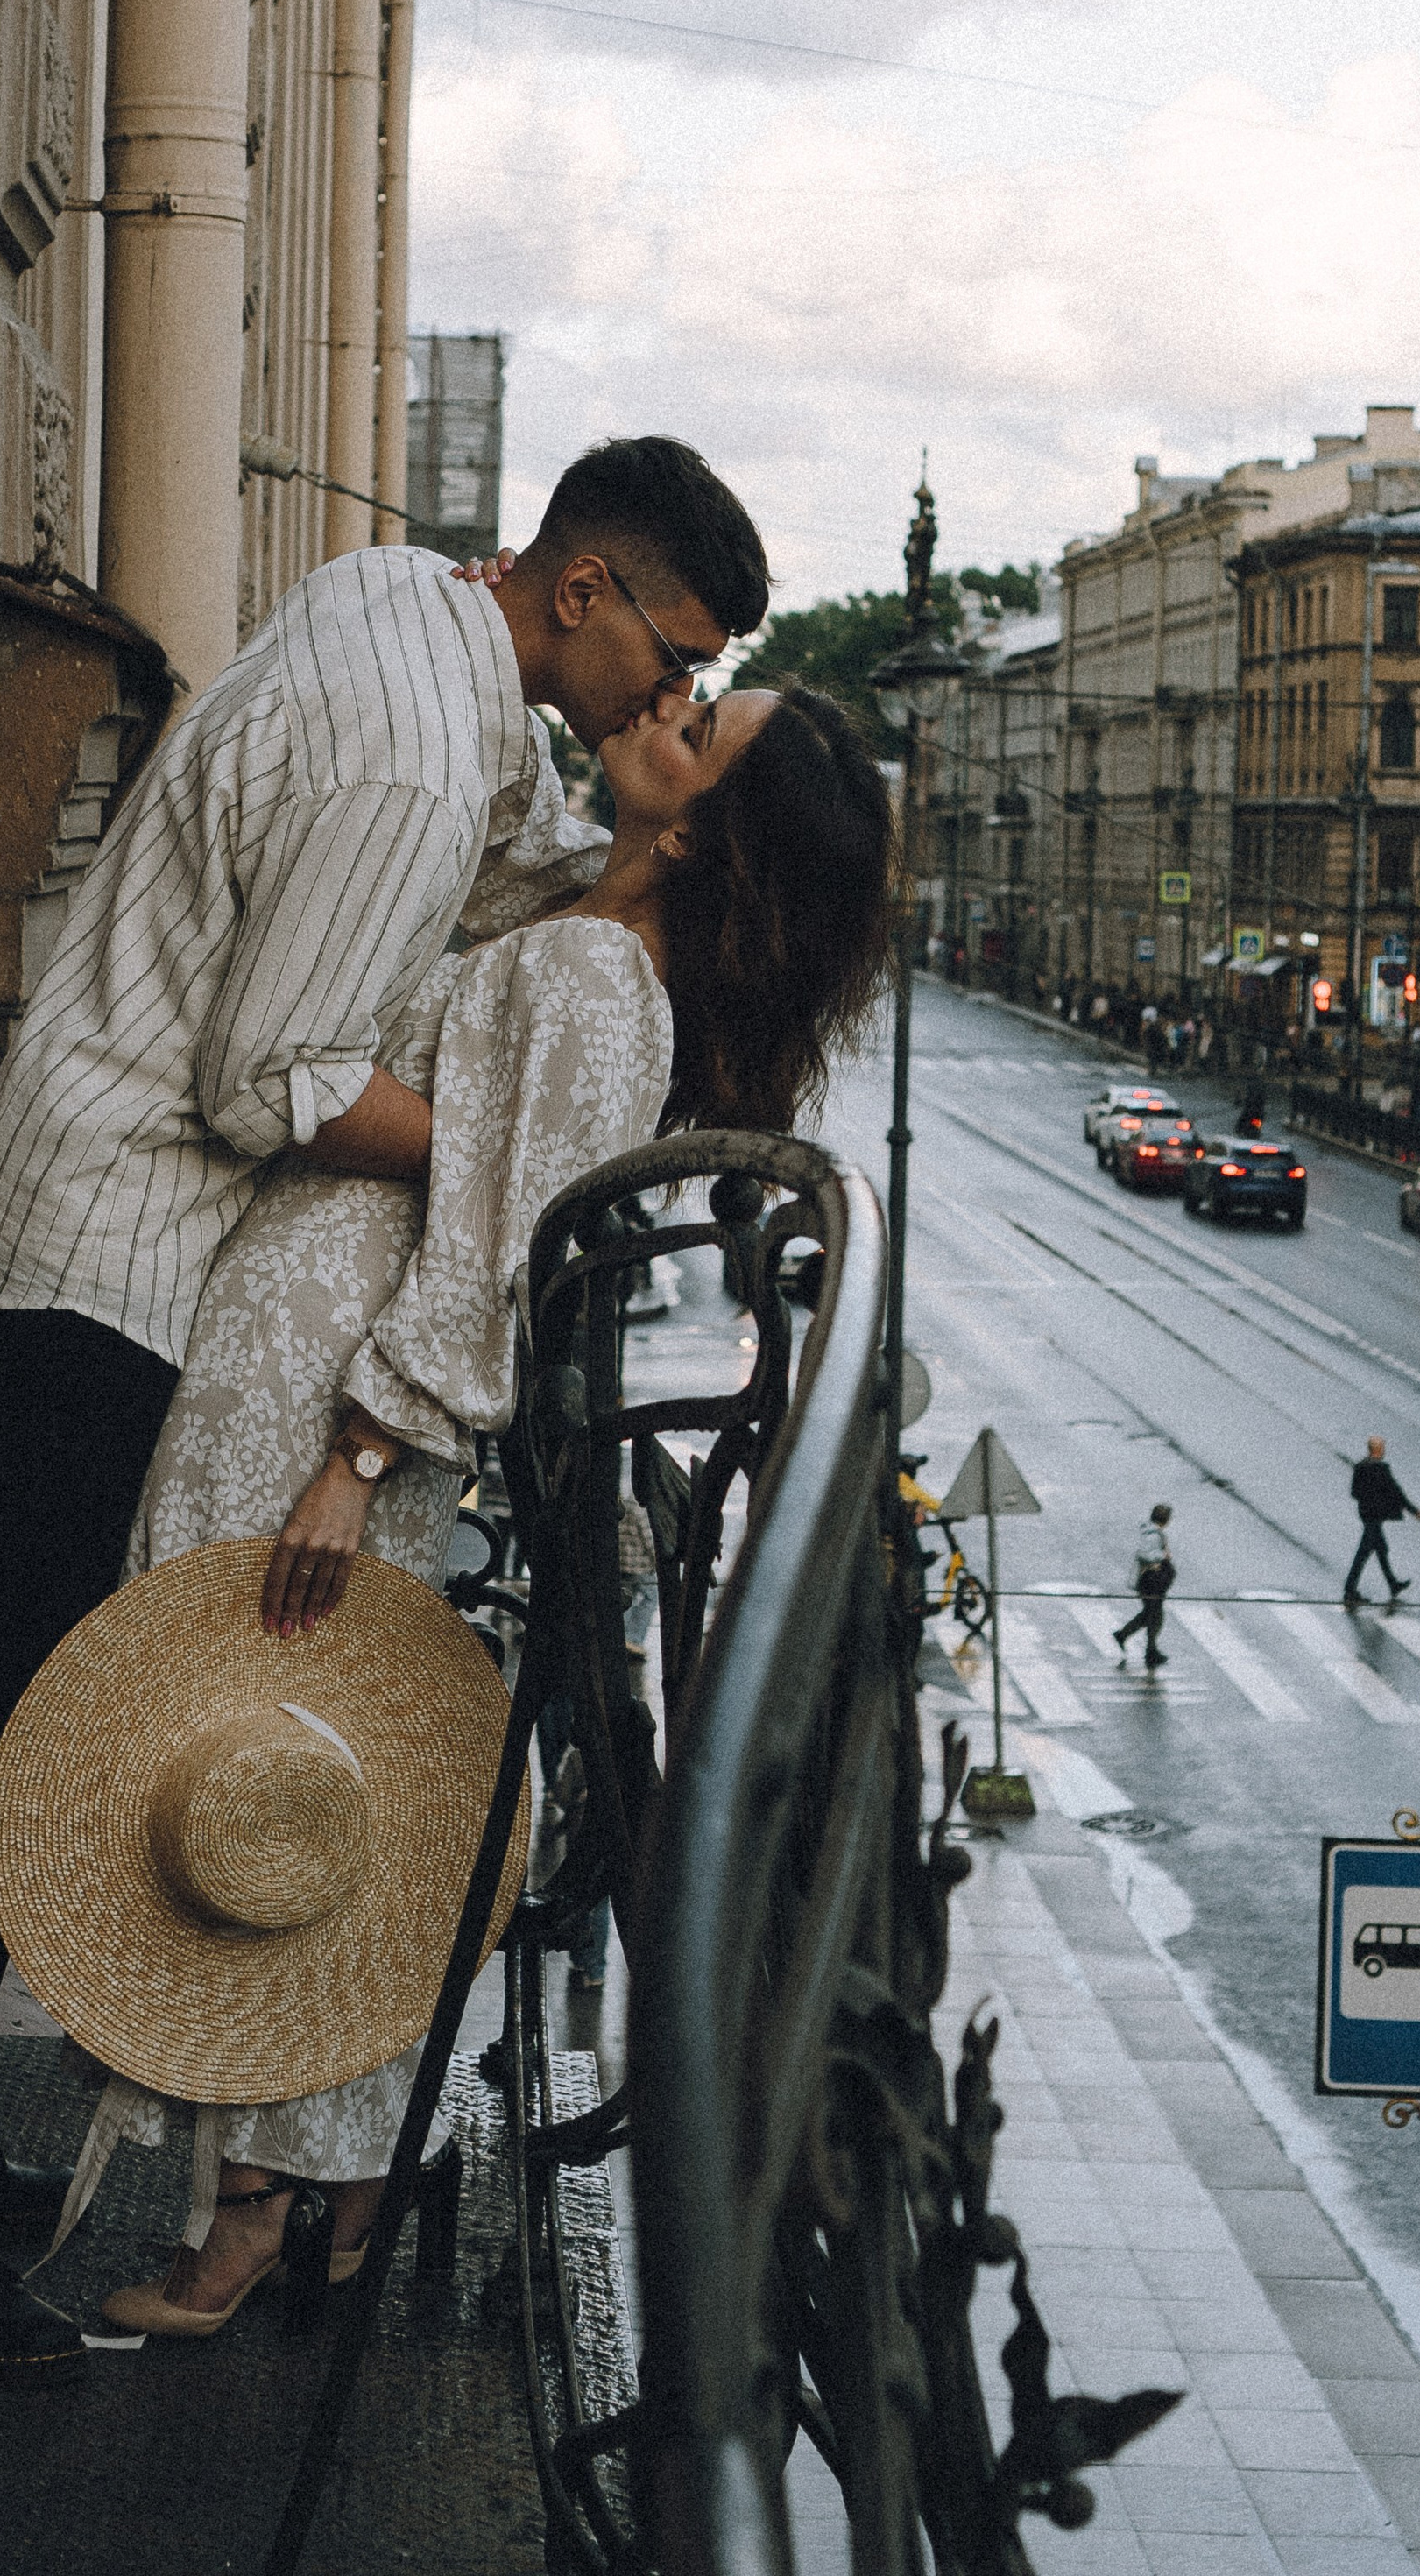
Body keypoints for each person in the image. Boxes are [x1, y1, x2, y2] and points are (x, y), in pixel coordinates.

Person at [0, 438, 771, 2368]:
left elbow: (467, 882)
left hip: (86, 1238)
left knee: (7, 1696)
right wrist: (517, 1153)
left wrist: (636, 856)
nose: (668, 698)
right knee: (10, 1719)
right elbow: (280, 1084)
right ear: (580, 591)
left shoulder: (418, 613)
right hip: (109, 1259)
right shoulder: (419, 747)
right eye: (670, 652)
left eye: (700, 686)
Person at [92, 680, 894, 2333]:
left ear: (706, 830)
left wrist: (363, 1452)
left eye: (698, 730)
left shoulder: (606, 977)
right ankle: (319, 2187)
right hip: (292, 1353)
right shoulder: (580, 915)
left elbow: (505, 1251)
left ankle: (257, 2206)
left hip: (325, 1389)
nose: (666, 707)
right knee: (249, 1756)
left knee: (253, 1771)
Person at [1343, 1435, 1420, 1606]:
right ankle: (1349, 1591)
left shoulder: (1360, 1467)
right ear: (1378, 1449)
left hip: (1365, 1514)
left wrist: (1367, 1500)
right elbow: (1396, 1491)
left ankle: (1393, 1584)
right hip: (1376, 1516)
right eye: (1382, 1447)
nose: (1383, 1450)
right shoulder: (1381, 1469)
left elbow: (1354, 1493)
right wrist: (1413, 1510)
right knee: (1363, 1554)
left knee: (1381, 1549)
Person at [1114, 1504, 1176, 1669]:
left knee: (1154, 1615)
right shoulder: (1153, 1534)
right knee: (1153, 1615)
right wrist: (1163, 1556)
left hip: (1152, 1582)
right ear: (1166, 1519)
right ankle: (1127, 1637)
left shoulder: (1153, 1532)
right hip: (1150, 1582)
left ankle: (1149, 1649)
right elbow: (1144, 1553)